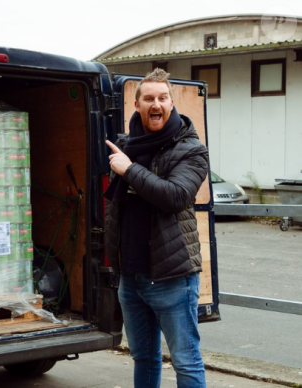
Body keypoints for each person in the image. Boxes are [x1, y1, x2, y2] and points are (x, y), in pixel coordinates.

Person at [104, 68, 209, 388]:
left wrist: (130, 170)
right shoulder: (127, 146)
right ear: (137, 105)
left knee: (186, 360)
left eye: (162, 98)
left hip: (172, 277)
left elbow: (176, 197)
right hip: (131, 276)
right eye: (149, 98)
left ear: (172, 103)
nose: (156, 104)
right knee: (144, 358)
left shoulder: (191, 149)